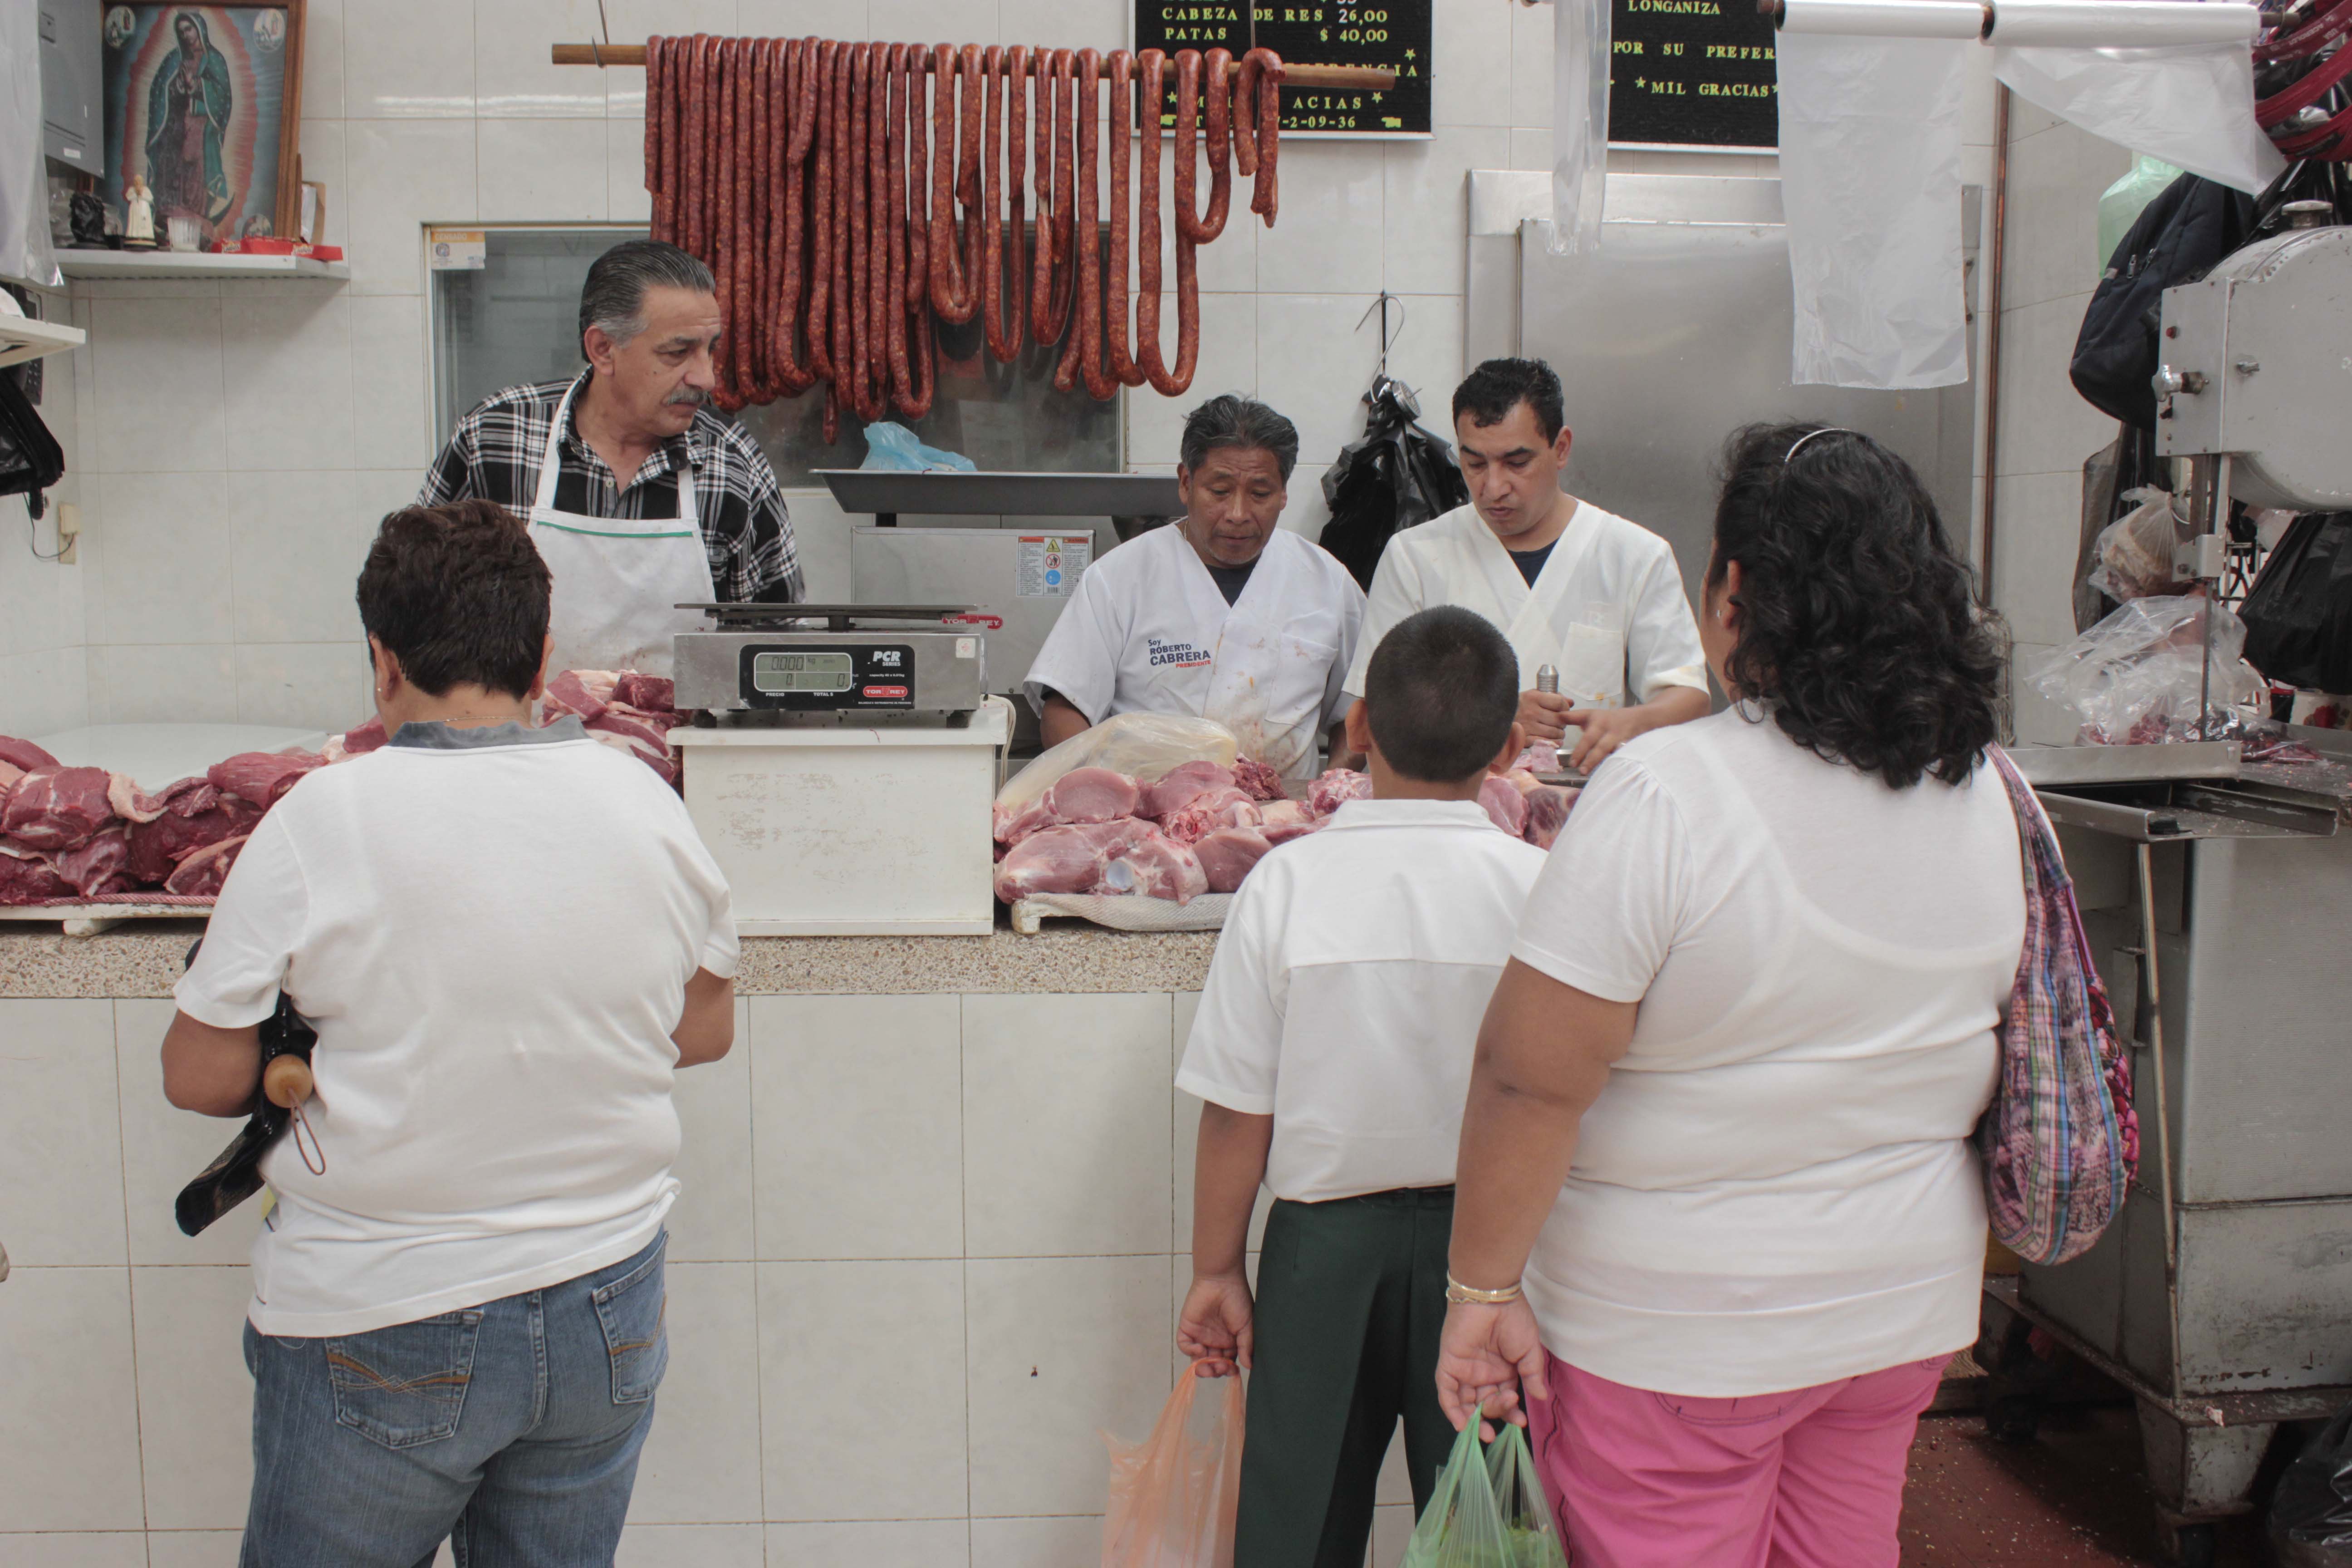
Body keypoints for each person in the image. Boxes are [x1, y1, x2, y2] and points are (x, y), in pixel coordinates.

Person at [1434, 425, 2022, 1568]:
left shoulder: (1665, 788)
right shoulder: (1981, 782)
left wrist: (1480, 1287)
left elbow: (1527, 1075)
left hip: (1682, 1334)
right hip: (1897, 1311)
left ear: (1734, 593)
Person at [162, 499, 739, 1568]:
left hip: (381, 1315)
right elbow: (702, 1030)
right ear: (544, 659)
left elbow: (198, 1074)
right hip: (606, 1307)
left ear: (381, 660)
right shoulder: (642, 797)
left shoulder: (320, 816)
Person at [1176, 606, 1548, 1567]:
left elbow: (1235, 1113)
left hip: (1320, 1252)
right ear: (1510, 747)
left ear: (1359, 729)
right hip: (1494, 1253)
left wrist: (1218, 1270)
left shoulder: (1286, 885)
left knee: (1296, 1526)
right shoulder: (1540, 887)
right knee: (1485, 1525)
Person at [420, 240, 803, 676]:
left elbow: (778, 648)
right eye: (678, 352)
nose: (707, 377)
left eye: (710, 349)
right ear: (603, 349)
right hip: (520, 740)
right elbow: (414, 607)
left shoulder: (732, 463)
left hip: (678, 741)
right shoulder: (495, 438)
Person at [1344, 358, 1710, 773]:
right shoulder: (1415, 556)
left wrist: (1630, 721)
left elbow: (1689, 695)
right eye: (1476, 464)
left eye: (1517, 463)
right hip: (1454, 811)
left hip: (1586, 805)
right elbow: (1375, 708)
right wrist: (1491, 718)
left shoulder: (1634, 555)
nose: (1493, 488)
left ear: (1561, 449)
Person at [1023, 395, 1365, 778]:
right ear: (1186, 483)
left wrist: (1326, 794)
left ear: (1284, 492)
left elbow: (1359, 712)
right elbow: (1064, 710)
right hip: (1150, 825)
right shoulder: (1120, 577)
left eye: (1260, 494)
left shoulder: (1327, 582)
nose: (1238, 514)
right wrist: (1110, 806)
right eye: (1219, 492)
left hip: (1282, 824)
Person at [147, 10, 232, 225]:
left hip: (201, 127)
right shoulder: (174, 59)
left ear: (199, 29)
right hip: (176, 125)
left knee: (195, 169)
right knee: (173, 164)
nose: (186, 35)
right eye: (181, 31)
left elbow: (223, 99)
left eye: (189, 29)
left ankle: (196, 215)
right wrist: (178, 87)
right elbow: (159, 90)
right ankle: (172, 212)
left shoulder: (214, 59)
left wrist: (195, 86)